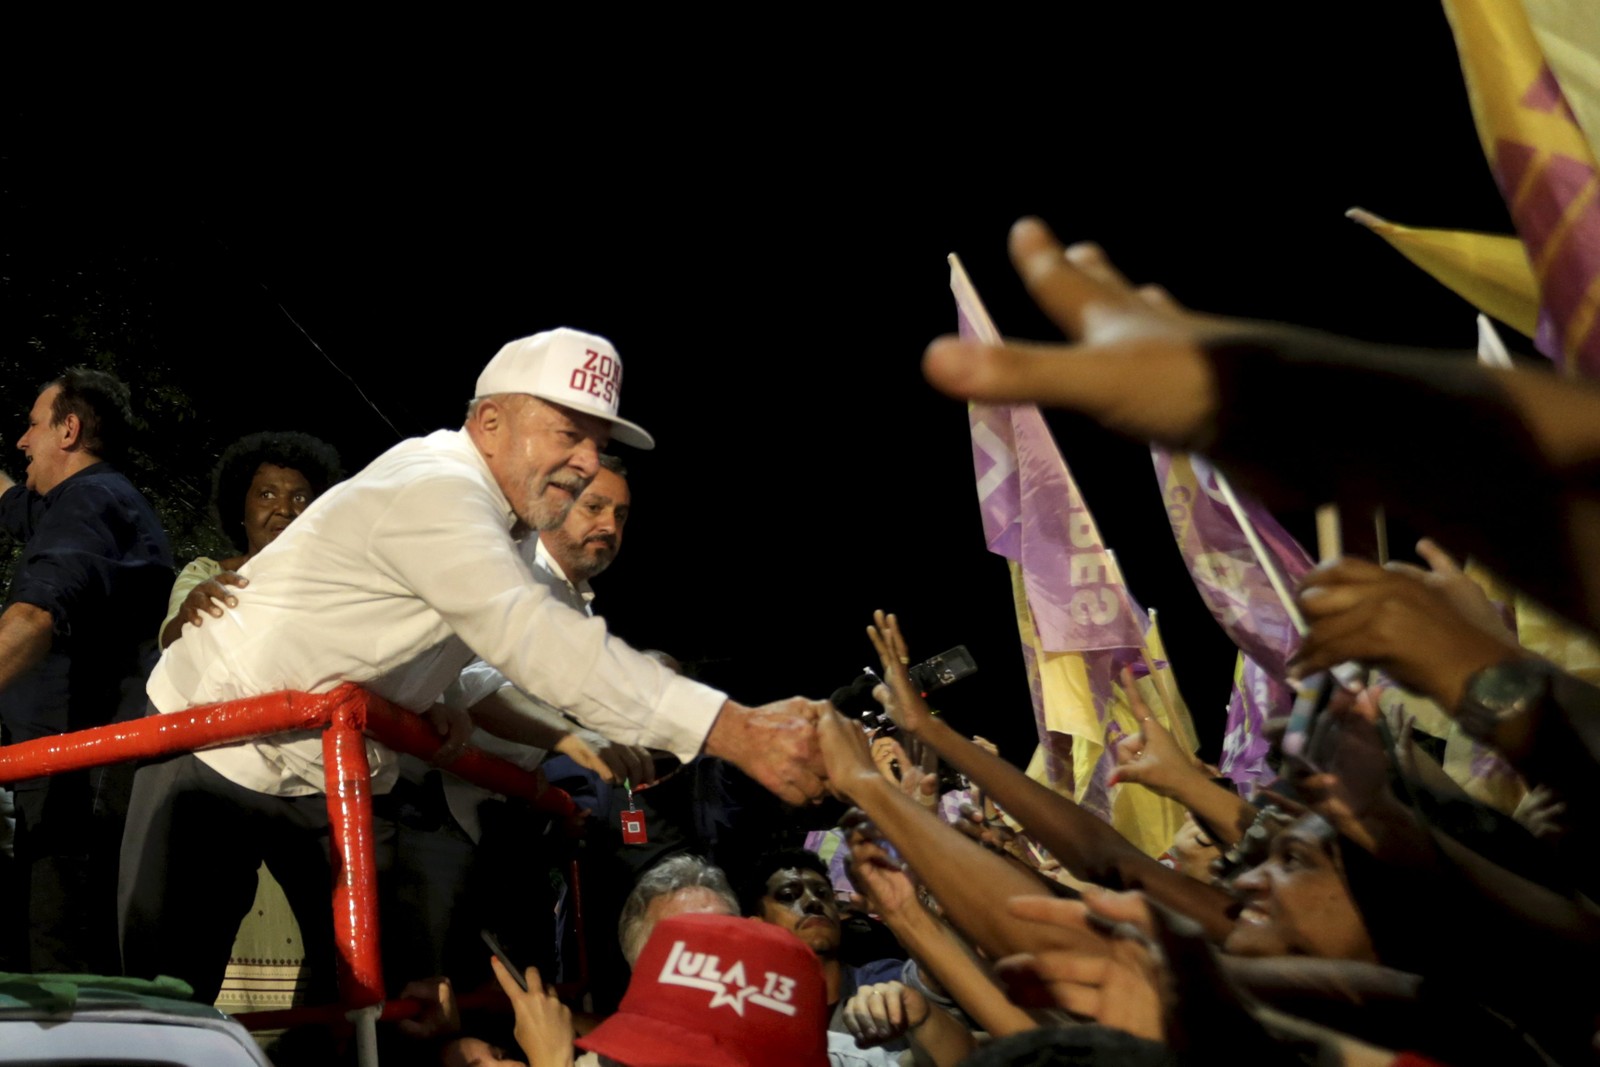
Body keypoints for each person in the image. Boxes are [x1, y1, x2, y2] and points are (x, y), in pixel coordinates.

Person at [119, 327, 828, 1004]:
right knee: (168, 990)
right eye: (568, 432)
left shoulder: (507, 528)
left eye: (598, 441)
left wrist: (530, 725)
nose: (586, 460)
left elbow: (469, 671)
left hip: (322, 760)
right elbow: (525, 633)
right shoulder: (440, 488)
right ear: (490, 423)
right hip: (211, 738)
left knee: (365, 1000)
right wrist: (732, 728)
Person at [0, 367, 173, 972]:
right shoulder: (91, 504)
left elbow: (32, 620)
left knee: (62, 969)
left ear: (68, 430)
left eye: (31, 426)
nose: (22, 441)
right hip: (75, 773)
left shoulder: (89, 503)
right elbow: (19, 508)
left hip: (80, 778)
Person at [159, 430, 342, 649]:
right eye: (267, 495)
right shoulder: (207, 573)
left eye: (299, 498)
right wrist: (189, 613)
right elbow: (168, 643)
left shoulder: (330, 581)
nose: (284, 509)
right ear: (241, 509)